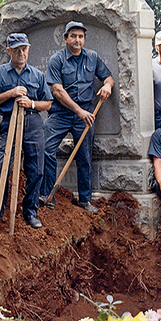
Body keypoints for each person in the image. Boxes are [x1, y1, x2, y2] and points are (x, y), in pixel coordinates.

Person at [39, 20, 114, 214]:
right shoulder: (56, 60)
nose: (77, 40)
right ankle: (47, 195)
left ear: (84, 39)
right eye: (73, 36)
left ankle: (85, 200)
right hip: (61, 113)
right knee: (46, 148)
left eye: (80, 36)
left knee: (85, 156)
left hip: (86, 114)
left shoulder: (93, 58)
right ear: (65, 39)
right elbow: (57, 90)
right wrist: (78, 111)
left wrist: (107, 86)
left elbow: (108, 77)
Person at [0, 33, 52, 229]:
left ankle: (30, 212)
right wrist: (11, 93)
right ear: (9, 52)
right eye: (16, 50)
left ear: (28, 50)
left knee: (36, 169)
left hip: (32, 124)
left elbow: (47, 104)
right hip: (9, 122)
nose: (21, 53)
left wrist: (31, 103)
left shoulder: (37, 75)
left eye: (24, 49)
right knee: (1, 167)